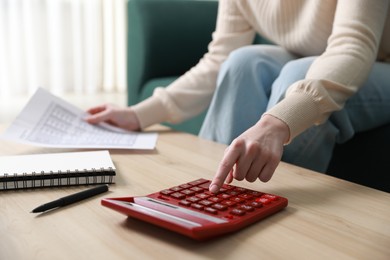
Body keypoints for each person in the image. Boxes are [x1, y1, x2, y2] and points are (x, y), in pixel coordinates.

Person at [86, 0, 390, 193]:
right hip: (311, 56)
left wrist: (277, 122)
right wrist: (140, 114)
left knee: (298, 77)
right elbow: (221, 57)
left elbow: (352, 48)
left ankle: (272, 211)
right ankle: (204, 194)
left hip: (373, 61)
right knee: (243, 61)